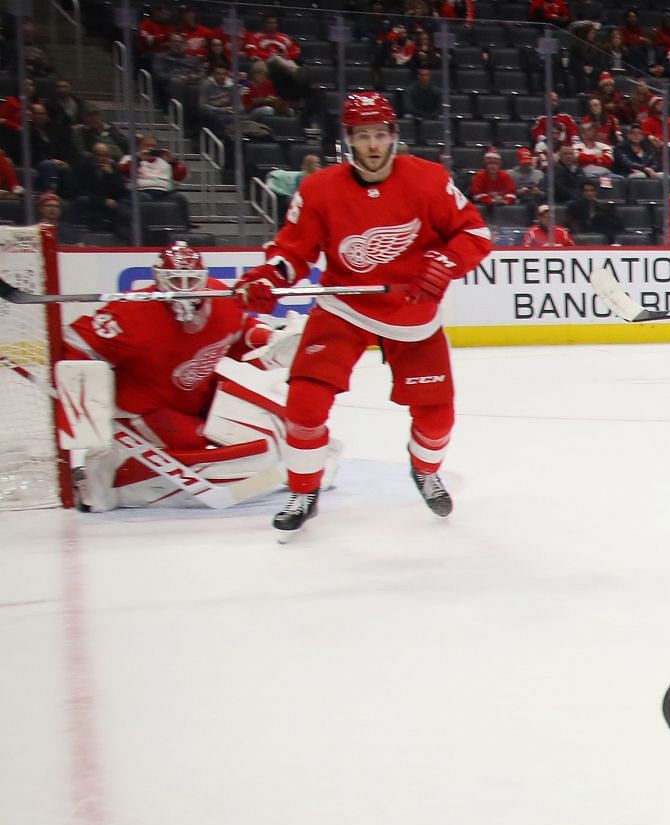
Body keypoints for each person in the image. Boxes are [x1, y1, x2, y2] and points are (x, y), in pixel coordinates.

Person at [234, 92, 492, 541]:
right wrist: (269, 277)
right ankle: (303, 491)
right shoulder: (318, 188)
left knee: (437, 419)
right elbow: (293, 251)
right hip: (344, 305)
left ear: (393, 136)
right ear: (348, 141)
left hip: (412, 310)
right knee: (305, 403)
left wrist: (445, 264)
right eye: (362, 136)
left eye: (379, 134)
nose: (372, 145)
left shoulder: (429, 180)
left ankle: (425, 469)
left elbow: (475, 233)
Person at [60, 243, 304, 510]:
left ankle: (305, 463)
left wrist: (271, 339)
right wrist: (80, 393)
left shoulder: (221, 296)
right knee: (192, 446)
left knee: (272, 426)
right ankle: (105, 483)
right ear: (159, 280)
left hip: (198, 392)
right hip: (147, 406)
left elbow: (240, 332)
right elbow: (76, 342)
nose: (185, 289)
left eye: (191, 280)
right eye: (176, 281)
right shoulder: (131, 312)